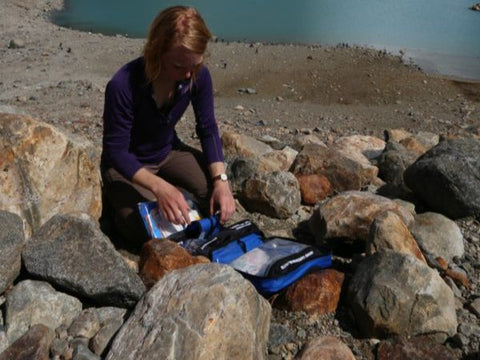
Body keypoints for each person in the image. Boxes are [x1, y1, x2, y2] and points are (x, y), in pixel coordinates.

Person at [100, 6, 235, 246]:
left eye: (194, 65)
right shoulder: (123, 85)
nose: (187, 74)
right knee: (139, 228)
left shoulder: (197, 76)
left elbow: (207, 128)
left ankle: (178, 198)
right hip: (126, 165)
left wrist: (221, 181)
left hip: (167, 151)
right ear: (156, 51)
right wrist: (161, 188)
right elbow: (116, 151)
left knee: (215, 199)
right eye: (178, 66)